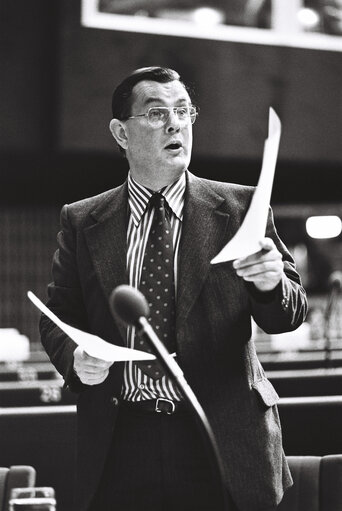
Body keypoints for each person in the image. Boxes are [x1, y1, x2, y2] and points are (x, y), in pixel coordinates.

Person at [40, 66, 307, 511]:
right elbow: (60, 315)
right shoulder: (83, 219)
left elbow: (287, 314)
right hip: (123, 439)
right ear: (121, 133)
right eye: (156, 112)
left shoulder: (240, 207)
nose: (175, 123)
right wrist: (76, 358)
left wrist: (271, 283)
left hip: (223, 435)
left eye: (184, 111)